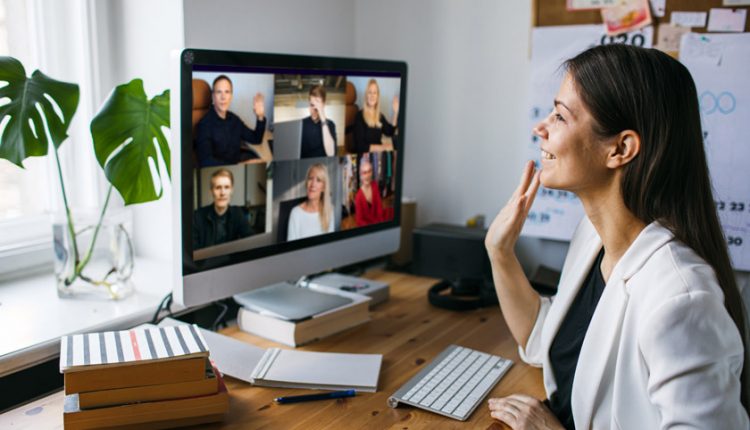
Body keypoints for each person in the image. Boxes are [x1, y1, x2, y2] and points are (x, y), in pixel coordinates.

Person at [484, 44, 749, 429]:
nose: (540, 127)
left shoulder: (681, 298)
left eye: (559, 116)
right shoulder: (593, 237)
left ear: (621, 148)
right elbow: (546, 341)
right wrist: (500, 251)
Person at [195, 75, 266, 167]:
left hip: (237, 165)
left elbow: (256, 139)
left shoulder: (234, 120)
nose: (223, 97)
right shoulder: (204, 125)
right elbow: (206, 162)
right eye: (219, 92)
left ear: (231, 96)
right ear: (213, 96)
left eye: (227, 92)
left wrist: (260, 116)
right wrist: (242, 165)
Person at [193, 169, 251, 249]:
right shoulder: (197, 217)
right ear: (211, 191)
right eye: (218, 187)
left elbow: (250, 240)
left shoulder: (237, 213)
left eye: (227, 187)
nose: (222, 193)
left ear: (231, 190)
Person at [287, 163, 334, 241]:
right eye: (310, 178)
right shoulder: (295, 213)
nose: (313, 184)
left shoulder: (329, 210)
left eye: (318, 180)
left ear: (323, 188)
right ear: (306, 183)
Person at [351, 79, 399, 154]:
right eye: (370, 92)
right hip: (366, 156)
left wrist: (395, 112)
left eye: (375, 93)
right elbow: (360, 146)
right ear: (366, 95)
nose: (372, 95)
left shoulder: (380, 116)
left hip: (378, 154)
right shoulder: (359, 116)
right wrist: (382, 147)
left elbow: (390, 132)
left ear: (377, 96)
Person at [354, 157, 392, 226]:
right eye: (364, 173)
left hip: (379, 220)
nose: (367, 175)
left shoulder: (374, 185)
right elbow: (360, 221)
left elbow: (379, 208)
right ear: (360, 175)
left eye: (369, 171)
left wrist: (380, 223)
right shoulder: (358, 197)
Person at [300, 85, 336, 158]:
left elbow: (331, 153)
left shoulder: (330, 124)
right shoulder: (301, 124)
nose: (314, 107)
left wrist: (322, 116)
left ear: (323, 104)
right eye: (312, 104)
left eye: (317, 103)